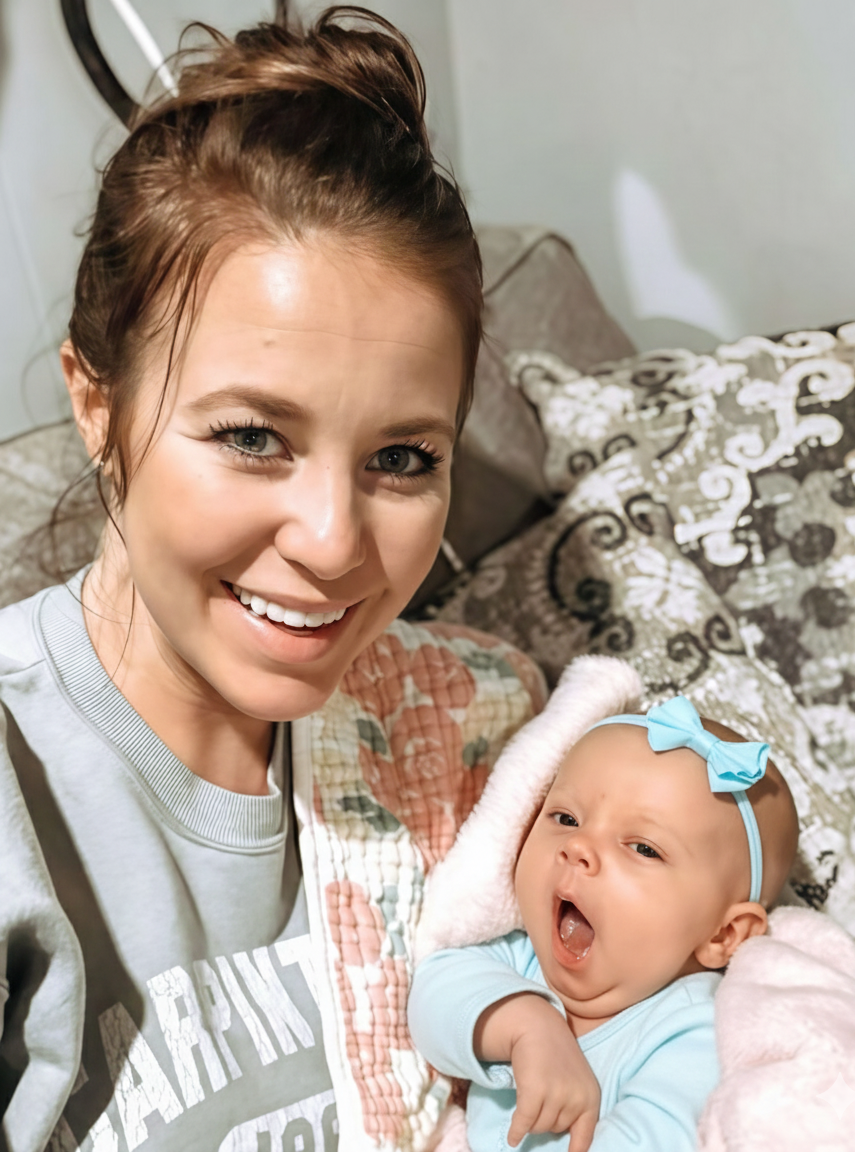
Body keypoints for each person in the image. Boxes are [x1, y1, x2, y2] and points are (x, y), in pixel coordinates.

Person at [0, 9, 545, 1151]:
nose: (334, 543)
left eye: (404, 458)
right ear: (97, 407)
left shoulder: (481, 733)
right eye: (252, 437)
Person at [408, 661, 800, 1152]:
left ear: (724, 934)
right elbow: (433, 991)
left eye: (643, 848)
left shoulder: (692, 1033)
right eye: (566, 818)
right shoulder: (522, 959)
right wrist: (524, 1023)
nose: (578, 847)